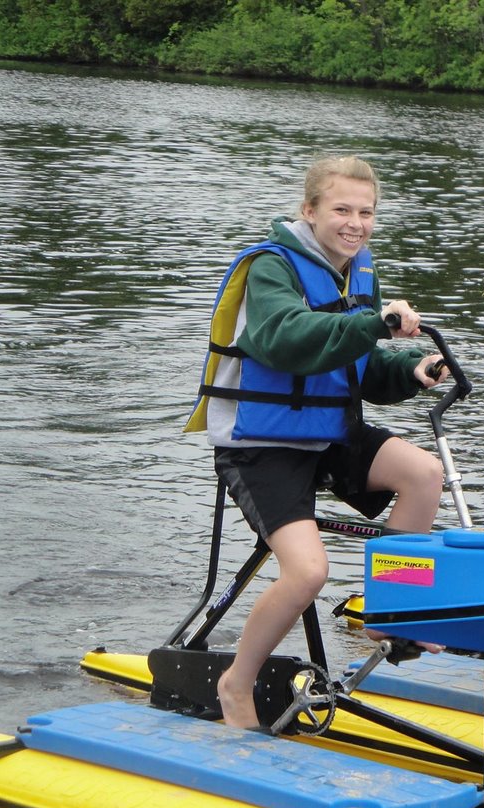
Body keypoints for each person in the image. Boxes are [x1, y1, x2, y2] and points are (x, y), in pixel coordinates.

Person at [186, 155, 448, 728]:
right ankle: (238, 683)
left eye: (366, 212)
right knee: (308, 573)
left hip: (330, 433)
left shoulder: (359, 273)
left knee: (425, 474)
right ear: (309, 211)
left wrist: (408, 371)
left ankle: (391, 613)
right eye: (342, 210)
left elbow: (358, 367)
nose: (355, 223)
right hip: (261, 443)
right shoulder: (271, 268)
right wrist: (374, 323)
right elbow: (286, 340)